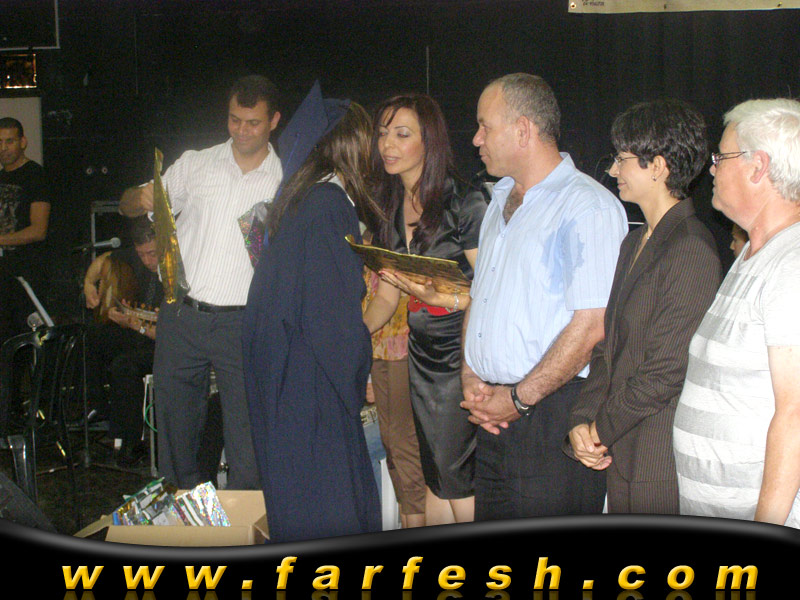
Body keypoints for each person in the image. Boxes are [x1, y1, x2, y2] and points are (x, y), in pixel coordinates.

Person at [460, 73, 628, 520]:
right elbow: (481, 296)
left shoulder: (586, 206)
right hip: (495, 416)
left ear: (523, 130)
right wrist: (471, 376)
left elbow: (593, 325)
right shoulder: (499, 199)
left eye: (484, 126)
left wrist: (518, 399)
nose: (476, 139)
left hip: (555, 417)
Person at [118, 74, 282, 490]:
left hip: (245, 322)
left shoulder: (287, 179)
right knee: (175, 432)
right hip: (182, 314)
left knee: (248, 438)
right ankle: (183, 512)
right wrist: (139, 197)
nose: (241, 130)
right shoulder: (195, 163)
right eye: (234, 120)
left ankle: (247, 519)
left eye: (253, 123)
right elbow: (128, 203)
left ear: (274, 121)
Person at [565, 99, 722, 514]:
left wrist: (599, 430)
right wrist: (581, 420)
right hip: (623, 450)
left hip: (658, 457)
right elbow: (608, 348)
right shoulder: (634, 241)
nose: (614, 170)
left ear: (658, 167)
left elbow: (666, 371)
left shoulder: (690, 247)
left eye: (623, 159)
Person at [242, 92, 383, 543]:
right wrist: (359, 370)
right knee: (328, 503)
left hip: (285, 371)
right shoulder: (328, 204)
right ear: (350, 146)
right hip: (310, 381)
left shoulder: (301, 199)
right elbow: (331, 318)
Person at [673, 98, 800, 527]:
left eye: (721, 157)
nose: (711, 170)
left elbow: (796, 415)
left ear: (758, 166)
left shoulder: (792, 263)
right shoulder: (752, 252)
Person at [362, 93, 488, 525]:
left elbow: (493, 292)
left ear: (428, 140)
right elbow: (386, 298)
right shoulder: (388, 206)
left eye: (401, 134)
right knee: (435, 471)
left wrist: (445, 300)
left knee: (456, 475)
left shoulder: (465, 202)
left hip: (460, 354)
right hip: (421, 354)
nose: (387, 144)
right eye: (383, 134)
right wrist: (351, 334)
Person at [83, 216, 162, 466]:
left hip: (165, 344)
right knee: (93, 335)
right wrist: (88, 284)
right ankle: (99, 407)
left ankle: (130, 443)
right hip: (140, 331)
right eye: (142, 254)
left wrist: (135, 325)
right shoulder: (135, 258)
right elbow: (102, 261)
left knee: (125, 365)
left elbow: (168, 334)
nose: (147, 261)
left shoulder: (178, 271)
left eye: (152, 253)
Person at [362, 235, 426, 529]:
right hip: (378, 348)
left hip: (403, 347)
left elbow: (388, 299)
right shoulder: (370, 235)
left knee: (403, 447)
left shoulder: (397, 233)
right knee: (392, 448)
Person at [0, 117, 51, 343]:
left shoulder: (36, 175)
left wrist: (1, 239)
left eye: (9, 141)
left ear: (23, 142)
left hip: (26, 276)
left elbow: (39, 230)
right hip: (4, 274)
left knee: (25, 340)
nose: (3, 148)